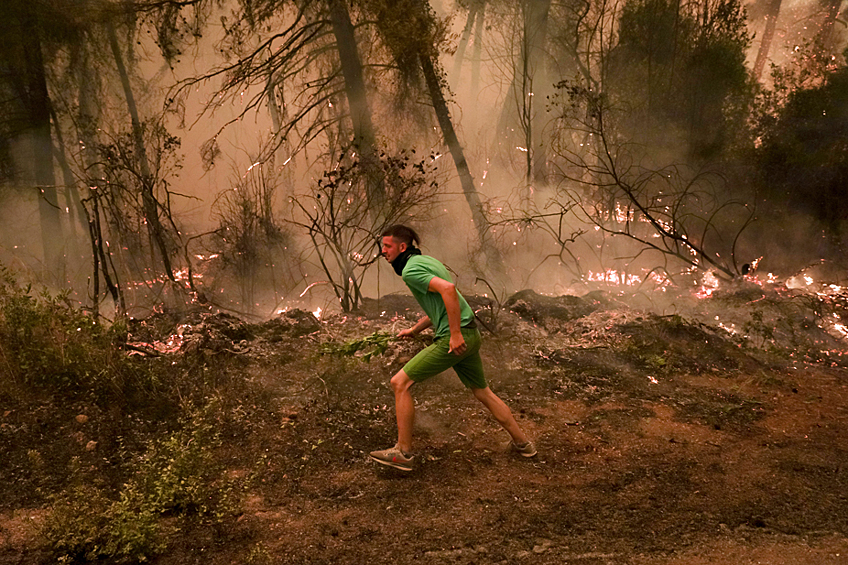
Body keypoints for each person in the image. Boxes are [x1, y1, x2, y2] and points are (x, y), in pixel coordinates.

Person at [369, 225, 536, 471]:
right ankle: (524, 444)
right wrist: (416, 330)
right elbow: (444, 299)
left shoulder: (411, 269)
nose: (383, 251)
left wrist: (454, 334)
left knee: (399, 383)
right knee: (483, 392)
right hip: (470, 334)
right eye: (383, 246)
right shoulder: (426, 261)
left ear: (402, 247)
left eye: (388, 246)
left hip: (456, 337)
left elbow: (449, 291)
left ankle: (402, 452)